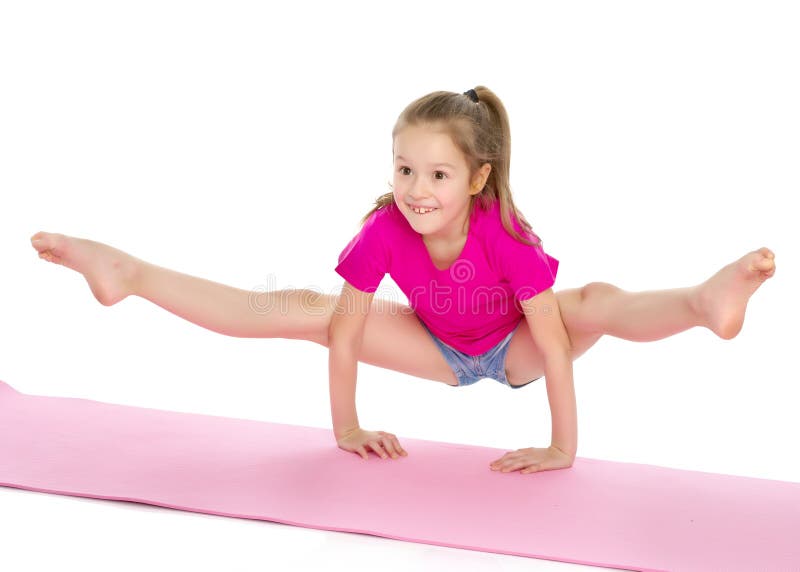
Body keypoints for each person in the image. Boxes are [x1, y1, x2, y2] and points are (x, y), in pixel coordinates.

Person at [29, 86, 776, 475]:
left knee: (596, 303)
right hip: (435, 350)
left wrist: (561, 449)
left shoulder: (505, 232)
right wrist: (346, 429)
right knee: (303, 308)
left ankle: (702, 302)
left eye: (439, 174)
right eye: (405, 169)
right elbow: (346, 330)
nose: (418, 189)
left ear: (478, 177)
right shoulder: (384, 229)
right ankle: (131, 273)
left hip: (514, 348)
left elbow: (549, 343)